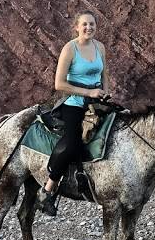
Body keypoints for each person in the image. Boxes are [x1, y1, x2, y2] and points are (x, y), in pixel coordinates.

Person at [37, 11, 110, 216]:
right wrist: (88, 92)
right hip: (74, 102)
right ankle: (47, 191)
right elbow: (59, 84)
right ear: (77, 27)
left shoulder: (100, 47)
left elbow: (105, 74)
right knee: (72, 142)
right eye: (84, 24)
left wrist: (106, 92)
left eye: (92, 24)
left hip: (97, 100)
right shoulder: (70, 49)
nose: (89, 27)